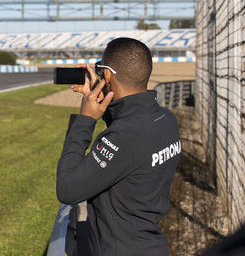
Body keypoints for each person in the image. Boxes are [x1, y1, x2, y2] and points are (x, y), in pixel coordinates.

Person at [56, 38, 180, 256]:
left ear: (107, 75)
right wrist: (105, 103)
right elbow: (130, 137)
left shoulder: (125, 135)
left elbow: (67, 189)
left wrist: (86, 120)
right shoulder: (166, 119)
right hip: (151, 245)